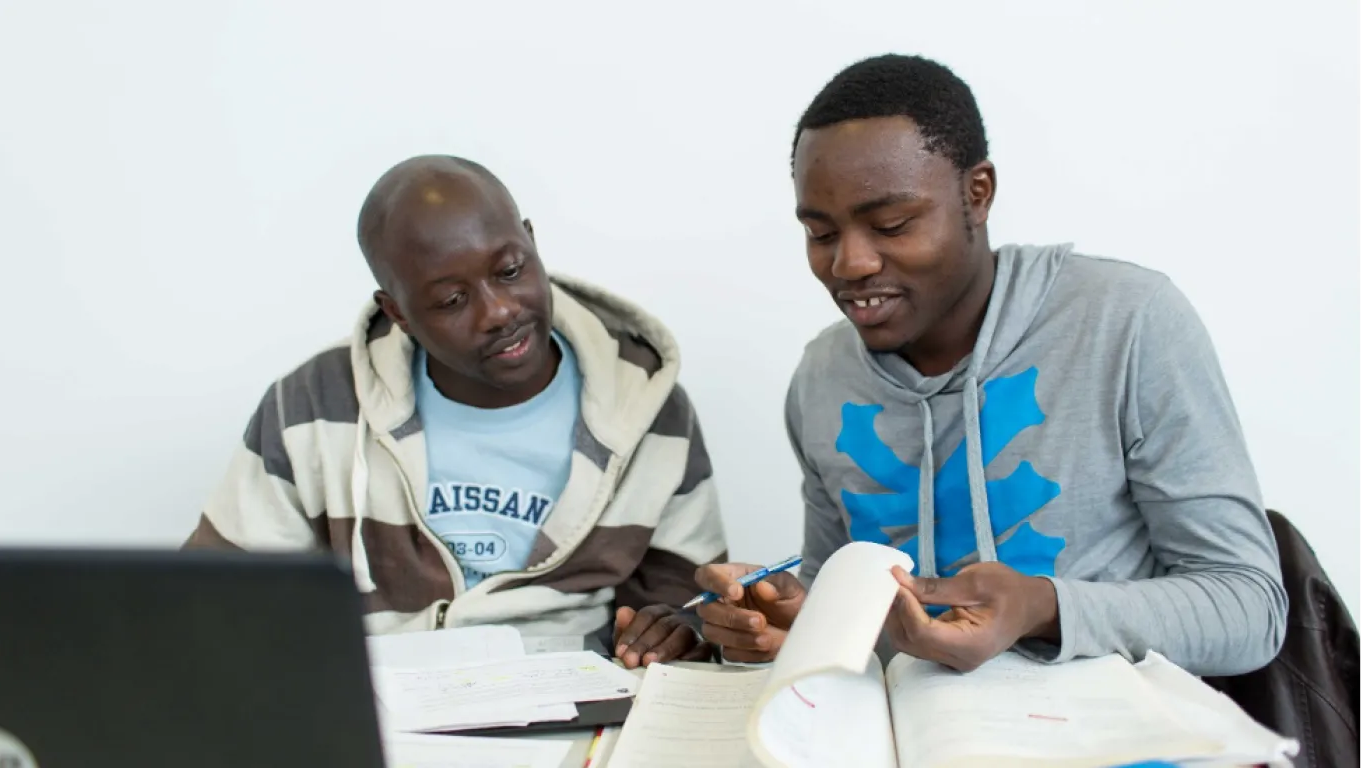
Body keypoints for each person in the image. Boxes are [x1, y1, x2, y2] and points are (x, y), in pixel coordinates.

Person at [696, 54, 1288, 676]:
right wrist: (795, 618)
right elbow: (849, 604)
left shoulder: (1128, 323)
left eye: (891, 224)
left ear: (976, 195)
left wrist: (1043, 607)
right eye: (820, 234)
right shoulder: (822, 376)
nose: (850, 264)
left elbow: (1250, 609)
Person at [186, 155, 725, 668]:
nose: (499, 311)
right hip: (376, 710)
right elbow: (216, 597)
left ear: (532, 243)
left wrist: (678, 627)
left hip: (569, 711)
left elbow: (688, 602)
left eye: (510, 270)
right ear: (397, 312)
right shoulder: (310, 407)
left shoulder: (649, 407)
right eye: (451, 301)